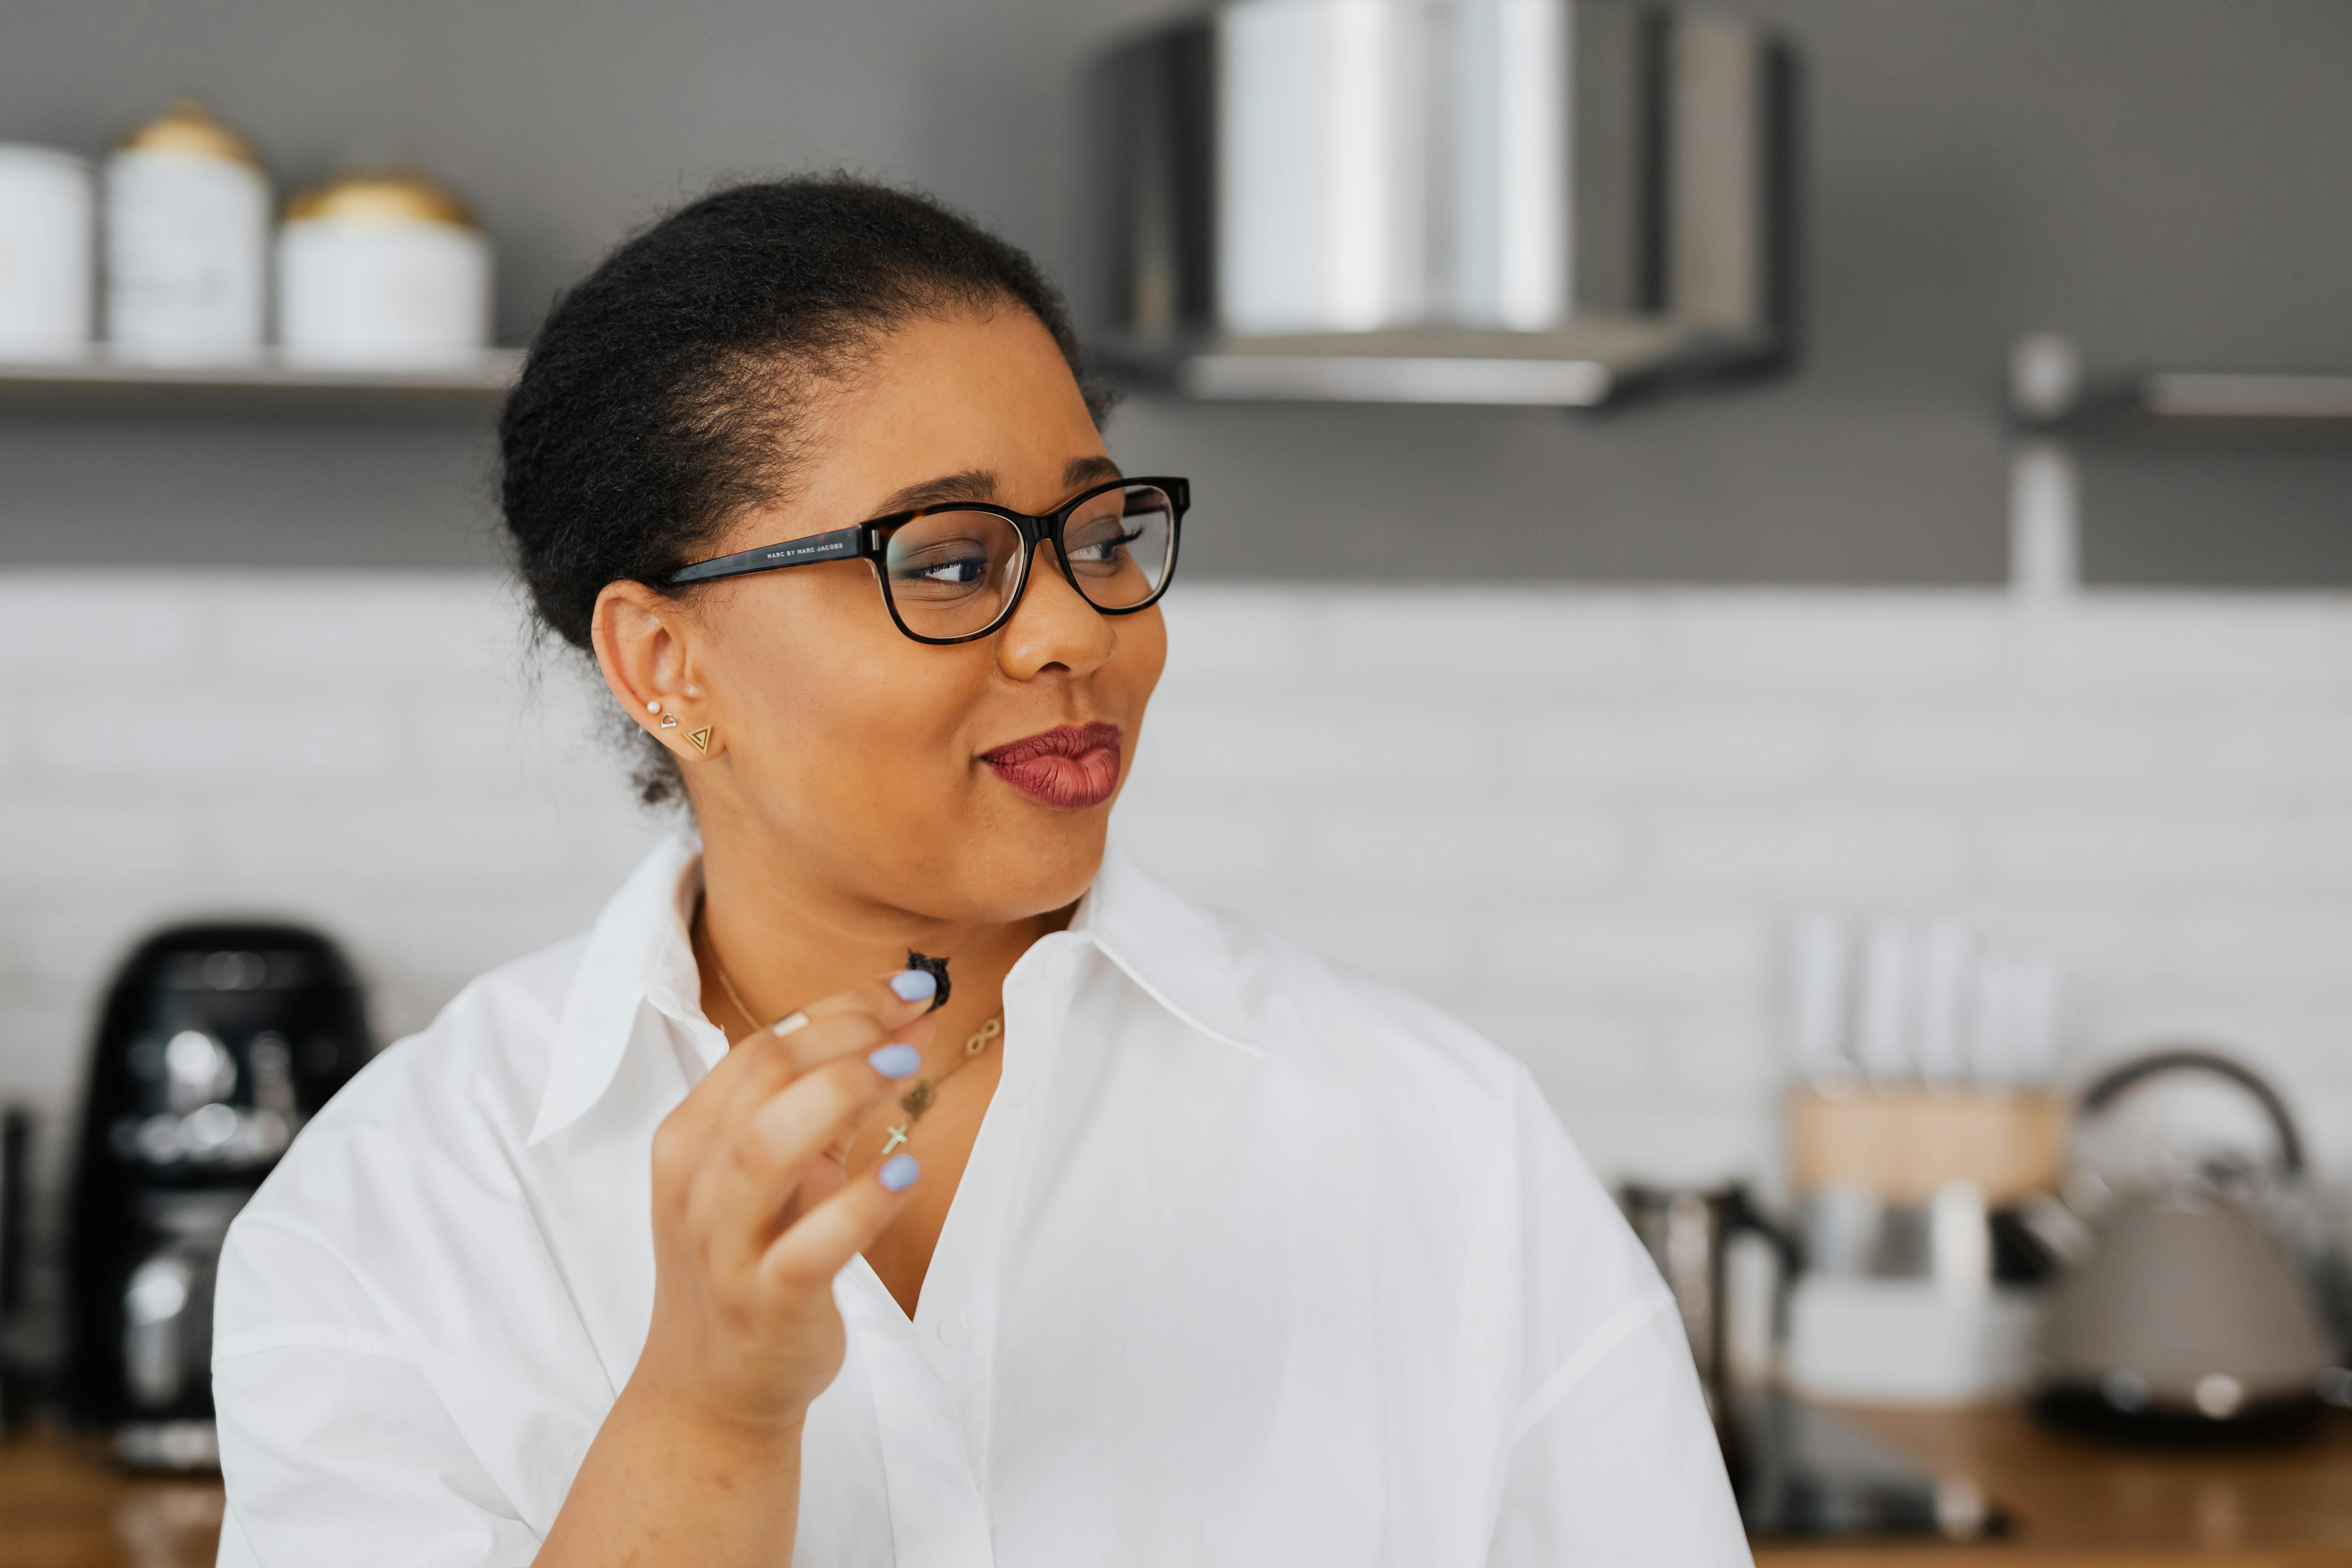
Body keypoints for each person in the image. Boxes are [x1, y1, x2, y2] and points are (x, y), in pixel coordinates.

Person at [210, 176, 1747, 1566]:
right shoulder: (396, 1211)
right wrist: (707, 1414)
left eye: (1098, 529)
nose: (1078, 626)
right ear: (665, 659)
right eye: (946, 560)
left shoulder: (1450, 1150)